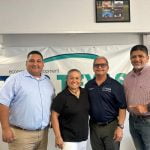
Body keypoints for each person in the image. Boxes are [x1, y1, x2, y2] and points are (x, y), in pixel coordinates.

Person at [0, 51, 55, 150]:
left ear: (43, 64)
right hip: (21, 135)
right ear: (26, 63)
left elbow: (52, 105)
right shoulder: (15, 79)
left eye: (38, 61)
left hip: (43, 134)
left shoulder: (48, 82)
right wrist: (5, 128)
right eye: (31, 61)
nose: (35, 64)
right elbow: (3, 103)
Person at [85, 56, 126, 150]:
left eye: (103, 65)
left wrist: (120, 128)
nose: (99, 67)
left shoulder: (116, 85)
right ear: (93, 68)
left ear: (107, 67)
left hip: (111, 126)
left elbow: (122, 107)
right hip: (94, 126)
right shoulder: (89, 85)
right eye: (97, 65)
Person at [51, 69, 89, 150]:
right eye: (71, 78)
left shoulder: (85, 93)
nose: (74, 80)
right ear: (67, 79)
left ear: (80, 80)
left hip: (83, 138)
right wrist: (58, 137)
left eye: (77, 78)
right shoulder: (61, 96)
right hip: (68, 140)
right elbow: (54, 116)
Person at [124, 45, 150, 150]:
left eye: (141, 56)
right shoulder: (128, 77)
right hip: (132, 120)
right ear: (130, 59)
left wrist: (147, 108)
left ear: (147, 58)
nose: (137, 59)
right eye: (134, 57)